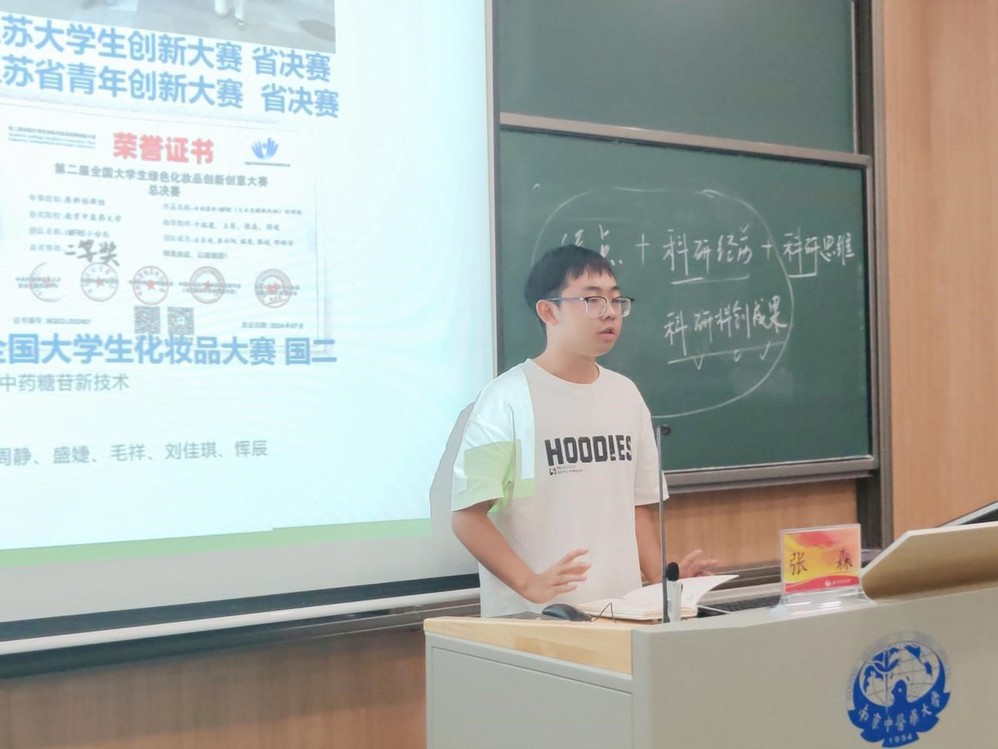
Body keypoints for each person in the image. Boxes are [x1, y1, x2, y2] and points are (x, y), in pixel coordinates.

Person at [451, 244, 715, 617]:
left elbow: (637, 506)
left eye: (616, 300)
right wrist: (528, 583)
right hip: (535, 620)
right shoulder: (504, 400)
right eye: (592, 300)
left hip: (622, 613)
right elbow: (467, 515)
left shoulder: (626, 394)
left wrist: (660, 578)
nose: (610, 312)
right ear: (548, 311)